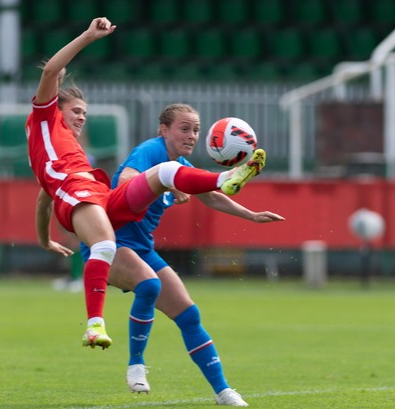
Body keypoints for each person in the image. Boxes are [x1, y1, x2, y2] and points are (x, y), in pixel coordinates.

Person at [25, 17, 266, 352]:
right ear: (54, 108)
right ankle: (95, 325)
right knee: (106, 245)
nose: (82, 117)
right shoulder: (43, 120)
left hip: (100, 196)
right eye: (76, 110)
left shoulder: (64, 150)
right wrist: (88, 37)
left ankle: (225, 178)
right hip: (80, 193)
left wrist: (44, 240)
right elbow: (51, 71)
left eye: (85, 113)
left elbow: (43, 200)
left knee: (166, 173)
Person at [80, 103, 285, 406]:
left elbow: (212, 197)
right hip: (110, 242)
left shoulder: (182, 165)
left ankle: (224, 391)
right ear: (163, 130)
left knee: (189, 315)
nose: (192, 135)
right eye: (184, 128)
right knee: (150, 285)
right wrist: (164, 181)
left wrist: (251, 216)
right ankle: (136, 364)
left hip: (141, 247)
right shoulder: (151, 150)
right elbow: (125, 183)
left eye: (196, 130)